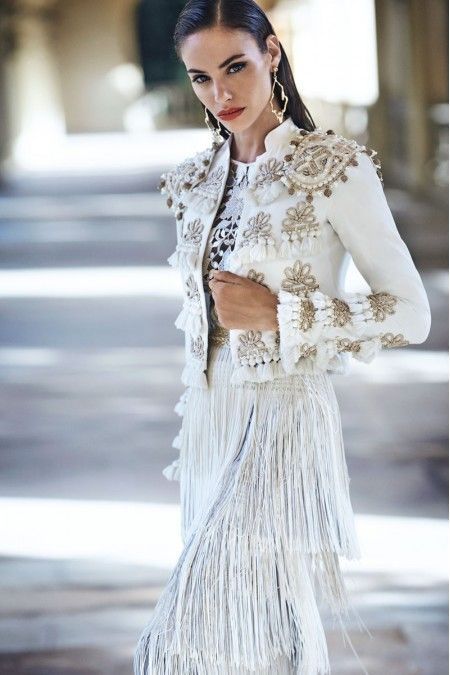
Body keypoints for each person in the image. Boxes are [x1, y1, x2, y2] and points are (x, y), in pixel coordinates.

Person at [134, 1, 432, 673]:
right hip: (211, 420)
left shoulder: (332, 168)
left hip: (285, 420)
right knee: (265, 633)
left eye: (235, 66)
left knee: (177, 636)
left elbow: (411, 312)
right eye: (202, 77)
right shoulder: (193, 180)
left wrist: (280, 313)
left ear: (272, 53)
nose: (222, 93)